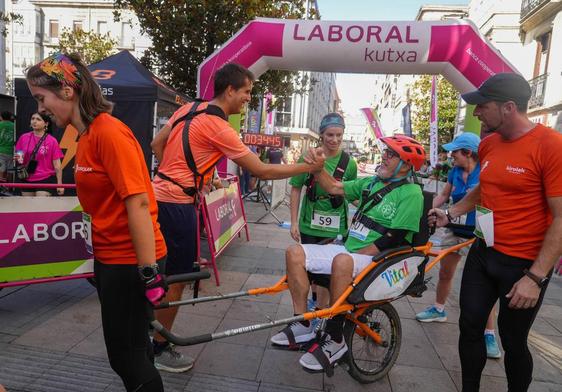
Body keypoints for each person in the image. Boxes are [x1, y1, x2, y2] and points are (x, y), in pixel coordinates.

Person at [150, 62, 323, 372]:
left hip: (157, 198)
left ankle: (148, 332)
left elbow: (156, 144)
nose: (248, 99)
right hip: (177, 207)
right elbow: (261, 170)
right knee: (176, 279)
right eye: (246, 92)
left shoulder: (188, 109)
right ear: (229, 90)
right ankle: (159, 348)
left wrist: (185, 177)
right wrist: (306, 168)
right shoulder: (219, 127)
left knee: (157, 273)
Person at [26, 52, 167, 392]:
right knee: (135, 350)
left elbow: (138, 201)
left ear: (67, 90)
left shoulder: (109, 132)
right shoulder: (85, 135)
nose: (40, 108)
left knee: (126, 357)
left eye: (41, 98)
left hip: (131, 260)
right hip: (111, 259)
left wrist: (148, 272)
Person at [430, 73, 562, 392]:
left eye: (482, 106)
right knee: (470, 325)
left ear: (508, 108)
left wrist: (535, 277)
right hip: (484, 252)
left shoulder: (551, 146)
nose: (476, 113)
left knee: (513, 339)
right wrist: (451, 213)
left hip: (523, 266)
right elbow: (483, 188)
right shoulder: (488, 144)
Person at [271, 135, 425, 372]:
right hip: (351, 252)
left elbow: (393, 237)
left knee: (342, 261)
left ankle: (335, 338)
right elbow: (334, 186)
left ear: (406, 165)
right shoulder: (371, 183)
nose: (384, 156)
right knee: (294, 253)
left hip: (378, 258)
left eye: (391, 154)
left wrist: (355, 254)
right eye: (385, 151)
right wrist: (318, 168)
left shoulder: (412, 193)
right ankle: (302, 323)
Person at [415, 132, 501, 359]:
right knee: (445, 272)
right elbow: (443, 196)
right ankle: (439, 309)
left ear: (468, 153)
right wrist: (422, 210)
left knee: (486, 284)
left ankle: (489, 334)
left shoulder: (485, 171)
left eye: (455, 152)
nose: (451, 155)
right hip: (455, 228)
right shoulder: (454, 172)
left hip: (479, 231)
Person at [289, 113, 357, 310]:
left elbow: (351, 194)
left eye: (338, 135)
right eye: (330, 135)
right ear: (321, 135)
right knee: (308, 269)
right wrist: (293, 222)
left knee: (329, 272)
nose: (334, 140)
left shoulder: (349, 163)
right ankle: (312, 304)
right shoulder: (309, 157)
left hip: (336, 225)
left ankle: (321, 310)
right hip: (310, 223)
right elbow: (296, 188)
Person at [13, 112, 64, 196]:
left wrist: (60, 184)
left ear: (46, 124)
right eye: (33, 119)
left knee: (40, 205)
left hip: (45, 178)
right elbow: (20, 160)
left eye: (38, 119)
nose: (34, 121)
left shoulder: (52, 141)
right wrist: (18, 158)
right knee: (28, 207)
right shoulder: (23, 138)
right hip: (26, 178)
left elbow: (57, 165)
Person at [0, 111, 15, 181]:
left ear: (1, 117)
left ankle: (2, 187)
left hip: (1, 150)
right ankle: (10, 187)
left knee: (1, 169)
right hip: (11, 151)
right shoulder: (14, 125)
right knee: (10, 170)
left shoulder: (0, 124)